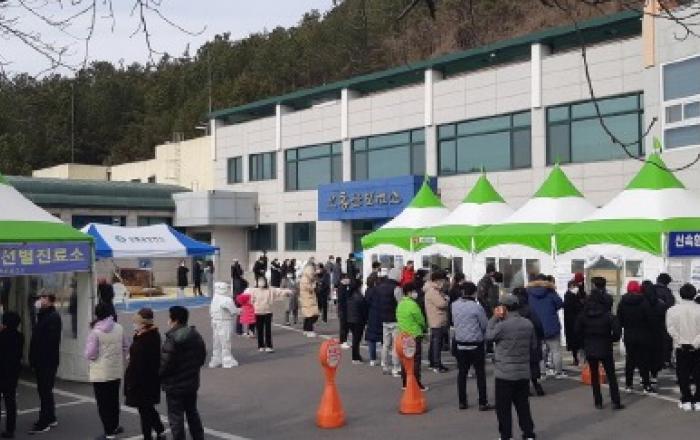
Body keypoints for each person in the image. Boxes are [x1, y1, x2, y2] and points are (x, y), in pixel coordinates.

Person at [486, 294, 537, 440]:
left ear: (504, 307)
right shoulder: (528, 324)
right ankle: (528, 434)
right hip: (523, 372)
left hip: (504, 373)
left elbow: (488, 336)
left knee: (503, 408)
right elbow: (533, 345)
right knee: (523, 406)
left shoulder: (502, 326)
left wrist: (494, 318)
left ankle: (506, 436)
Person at [160, 306, 207, 440]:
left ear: (175, 320)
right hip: (191, 382)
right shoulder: (195, 335)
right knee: (192, 412)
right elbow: (201, 357)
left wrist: (160, 376)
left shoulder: (172, 339)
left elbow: (165, 364)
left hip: (174, 385)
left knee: (176, 418)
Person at [85, 302, 128, 440]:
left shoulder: (95, 332)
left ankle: (109, 432)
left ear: (96, 314)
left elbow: (91, 354)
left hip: (100, 373)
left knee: (103, 404)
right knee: (114, 401)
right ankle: (114, 426)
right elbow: (125, 347)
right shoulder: (119, 328)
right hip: (115, 370)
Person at [576, 288, 624, 410]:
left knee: (594, 375)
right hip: (605, 346)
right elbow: (617, 332)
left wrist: (584, 342)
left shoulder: (583, 315)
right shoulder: (608, 315)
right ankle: (616, 401)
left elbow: (577, 331)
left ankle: (598, 401)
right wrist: (611, 339)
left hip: (590, 347)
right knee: (611, 375)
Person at [124, 308, 166, 440]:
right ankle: (159, 429)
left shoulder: (144, 339)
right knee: (147, 408)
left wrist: (132, 382)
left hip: (142, 382)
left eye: (136, 322)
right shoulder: (150, 335)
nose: (134, 324)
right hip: (149, 380)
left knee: (144, 411)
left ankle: (149, 435)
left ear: (143, 324)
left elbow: (140, 364)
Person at [451, 282, 493, 410]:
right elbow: (484, 325)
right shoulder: (477, 307)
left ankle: (462, 401)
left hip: (460, 343)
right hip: (476, 343)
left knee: (462, 373)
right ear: (474, 293)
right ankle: (482, 402)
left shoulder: (454, 305)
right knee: (480, 374)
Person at [28, 291, 62, 435]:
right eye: (40, 297)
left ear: (51, 301)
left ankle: (44, 422)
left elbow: (50, 341)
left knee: (45, 391)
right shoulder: (43, 315)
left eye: (44, 298)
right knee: (45, 390)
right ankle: (51, 417)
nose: (41, 300)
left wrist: (38, 357)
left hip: (47, 361)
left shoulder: (53, 317)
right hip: (42, 360)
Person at [665, 283, 700, 411]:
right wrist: (695, 342)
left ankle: (686, 399)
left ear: (680, 294)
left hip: (681, 347)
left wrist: (681, 341)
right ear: (694, 294)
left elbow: (670, 329)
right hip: (698, 347)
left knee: (682, 374)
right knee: (698, 373)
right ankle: (698, 400)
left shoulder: (672, 310)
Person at [616, 280, 654, 394]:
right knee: (643, 360)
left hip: (629, 334)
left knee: (630, 360)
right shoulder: (644, 301)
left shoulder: (622, 302)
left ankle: (629, 385)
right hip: (643, 334)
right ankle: (646, 385)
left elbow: (619, 320)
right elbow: (650, 319)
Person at [527, 274, 565, 379]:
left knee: (540, 351)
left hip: (536, 325)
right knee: (555, 350)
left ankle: (542, 372)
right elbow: (560, 304)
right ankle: (558, 372)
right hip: (551, 324)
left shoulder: (528, 292)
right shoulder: (550, 291)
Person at [513, 288, 546, 397]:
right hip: (532, 339)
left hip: (517, 341)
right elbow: (538, 324)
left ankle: (525, 388)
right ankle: (537, 386)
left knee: (522, 365)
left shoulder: (513, 312)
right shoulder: (530, 309)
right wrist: (541, 336)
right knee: (534, 364)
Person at [396, 282, 428, 391]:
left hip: (403, 335)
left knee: (405, 359)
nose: (415, 293)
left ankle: (405, 383)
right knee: (416, 360)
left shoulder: (400, 304)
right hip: (414, 334)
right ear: (409, 292)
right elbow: (420, 319)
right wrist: (424, 327)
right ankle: (416, 383)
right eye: (414, 291)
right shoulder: (413, 305)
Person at [248, 277, 292, 352]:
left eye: (262, 281)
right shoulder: (254, 290)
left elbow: (279, 291)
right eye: (259, 281)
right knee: (260, 330)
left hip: (268, 312)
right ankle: (260, 346)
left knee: (268, 330)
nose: (261, 282)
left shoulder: (270, 290)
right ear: (257, 282)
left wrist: (288, 291)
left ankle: (269, 346)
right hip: (258, 312)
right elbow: (251, 300)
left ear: (265, 282)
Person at [374, 268, 402, 377]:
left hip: (384, 319)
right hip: (395, 320)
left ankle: (384, 366)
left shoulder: (381, 287)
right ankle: (396, 368)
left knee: (385, 344)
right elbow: (401, 303)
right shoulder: (397, 288)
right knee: (395, 345)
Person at [0, 311, 22, 439]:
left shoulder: (2, 336)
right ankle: (10, 429)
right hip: (13, 374)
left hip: (1, 372)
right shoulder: (20, 337)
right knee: (10, 402)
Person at [209, 282, 239, 368]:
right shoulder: (227, 299)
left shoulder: (215, 298)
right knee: (225, 341)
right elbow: (233, 311)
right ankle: (227, 360)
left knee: (217, 341)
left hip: (215, 321)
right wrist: (240, 310)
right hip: (224, 321)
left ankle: (216, 359)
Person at [425, 270, 450, 373]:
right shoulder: (433, 291)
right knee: (437, 344)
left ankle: (433, 362)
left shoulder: (435, 290)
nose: (444, 283)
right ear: (438, 280)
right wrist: (447, 300)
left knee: (434, 343)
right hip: (436, 320)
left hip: (436, 319)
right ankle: (436, 364)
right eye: (442, 280)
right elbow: (441, 304)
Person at [643, 280, 667, 386]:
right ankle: (654, 376)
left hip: (644, 333)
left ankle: (644, 376)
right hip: (657, 333)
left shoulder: (642, 303)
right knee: (656, 355)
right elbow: (664, 319)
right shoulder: (661, 303)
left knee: (644, 355)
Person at [655, 273, 676, 368]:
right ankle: (665, 360)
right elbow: (670, 305)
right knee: (666, 341)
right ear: (667, 282)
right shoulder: (667, 292)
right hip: (664, 319)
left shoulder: (651, 290)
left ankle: (656, 360)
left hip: (652, 319)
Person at [563, 278, 585, 366]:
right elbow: (577, 308)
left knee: (577, 342)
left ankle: (578, 359)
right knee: (575, 343)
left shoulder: (574, 295)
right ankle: (577, 359)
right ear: (571, 287)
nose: (577, 288)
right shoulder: (570, 296)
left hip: (574, 323)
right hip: (572, 323)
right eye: (575, 286)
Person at [346, 280, 368, 364]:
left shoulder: (349, 295)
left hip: (350, 319)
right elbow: (364, 310)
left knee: (355, 339)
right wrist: (366, 320)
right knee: (356, 340)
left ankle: (357, 356)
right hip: (358, 320)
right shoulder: (359, 297)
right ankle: (355, 357)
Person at [364, 279, 382, 367]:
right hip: (381, 316)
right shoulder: (380, 292)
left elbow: (366, 304)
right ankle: (384, 359)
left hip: (371, 316)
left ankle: (372, 359)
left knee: (372, 339)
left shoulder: (368, 292)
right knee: (384, 339)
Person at [299, 265, 320, 337]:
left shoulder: (308, 278)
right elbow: (309, 288)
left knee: (309, 315)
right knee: (311, 315)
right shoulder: (305, 279)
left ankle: (306, 329)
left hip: (309, 299)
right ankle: (309, 330)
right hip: (307, 299)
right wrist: (314, 285)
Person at [336, 274, 351, 349]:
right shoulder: (341, 287)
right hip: (343, 310)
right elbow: (342, 300)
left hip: (344, 309)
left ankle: (344, 340)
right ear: (343, 279)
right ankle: (342, 341)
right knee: (343, 326)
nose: (348, 280)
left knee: (345, 326)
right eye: (347, 278)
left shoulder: (344, 286)